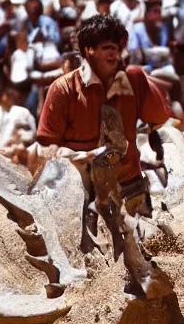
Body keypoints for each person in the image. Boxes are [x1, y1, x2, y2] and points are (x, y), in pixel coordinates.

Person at [33, 14, 173, 212]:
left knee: (153, 238)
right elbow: (47, 145)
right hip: (78, 193)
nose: (116, 55)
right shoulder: (63, 88)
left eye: (118, 48)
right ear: (88, 51)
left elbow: (161, 120)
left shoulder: (133, 79)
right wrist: (73, 158)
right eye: (108, 48)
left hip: (129, 188)